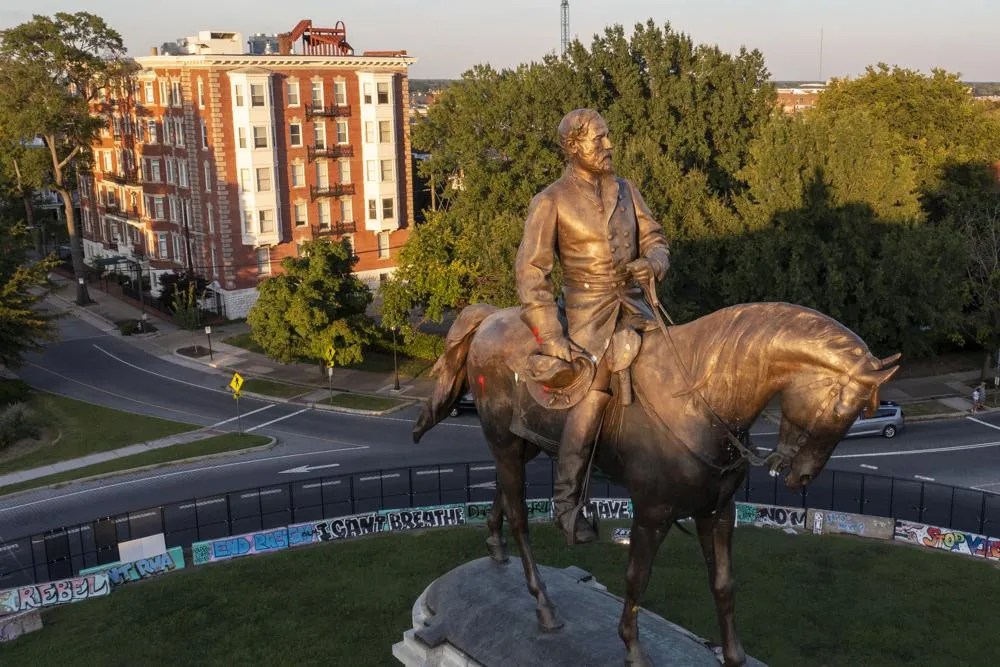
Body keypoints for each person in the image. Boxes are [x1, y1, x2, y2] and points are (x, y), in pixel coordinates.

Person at [515, 108, 671, 544]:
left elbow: (656, 239)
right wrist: (551, 335)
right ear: (573, 147)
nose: (609, 146)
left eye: (607, 137)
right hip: (588, 318)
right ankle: (566, 505)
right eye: (599, 139)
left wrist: (652, 263)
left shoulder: (626, 190)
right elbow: (531, 271)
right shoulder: (551, 200)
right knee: (593, 399)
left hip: (637, 309)